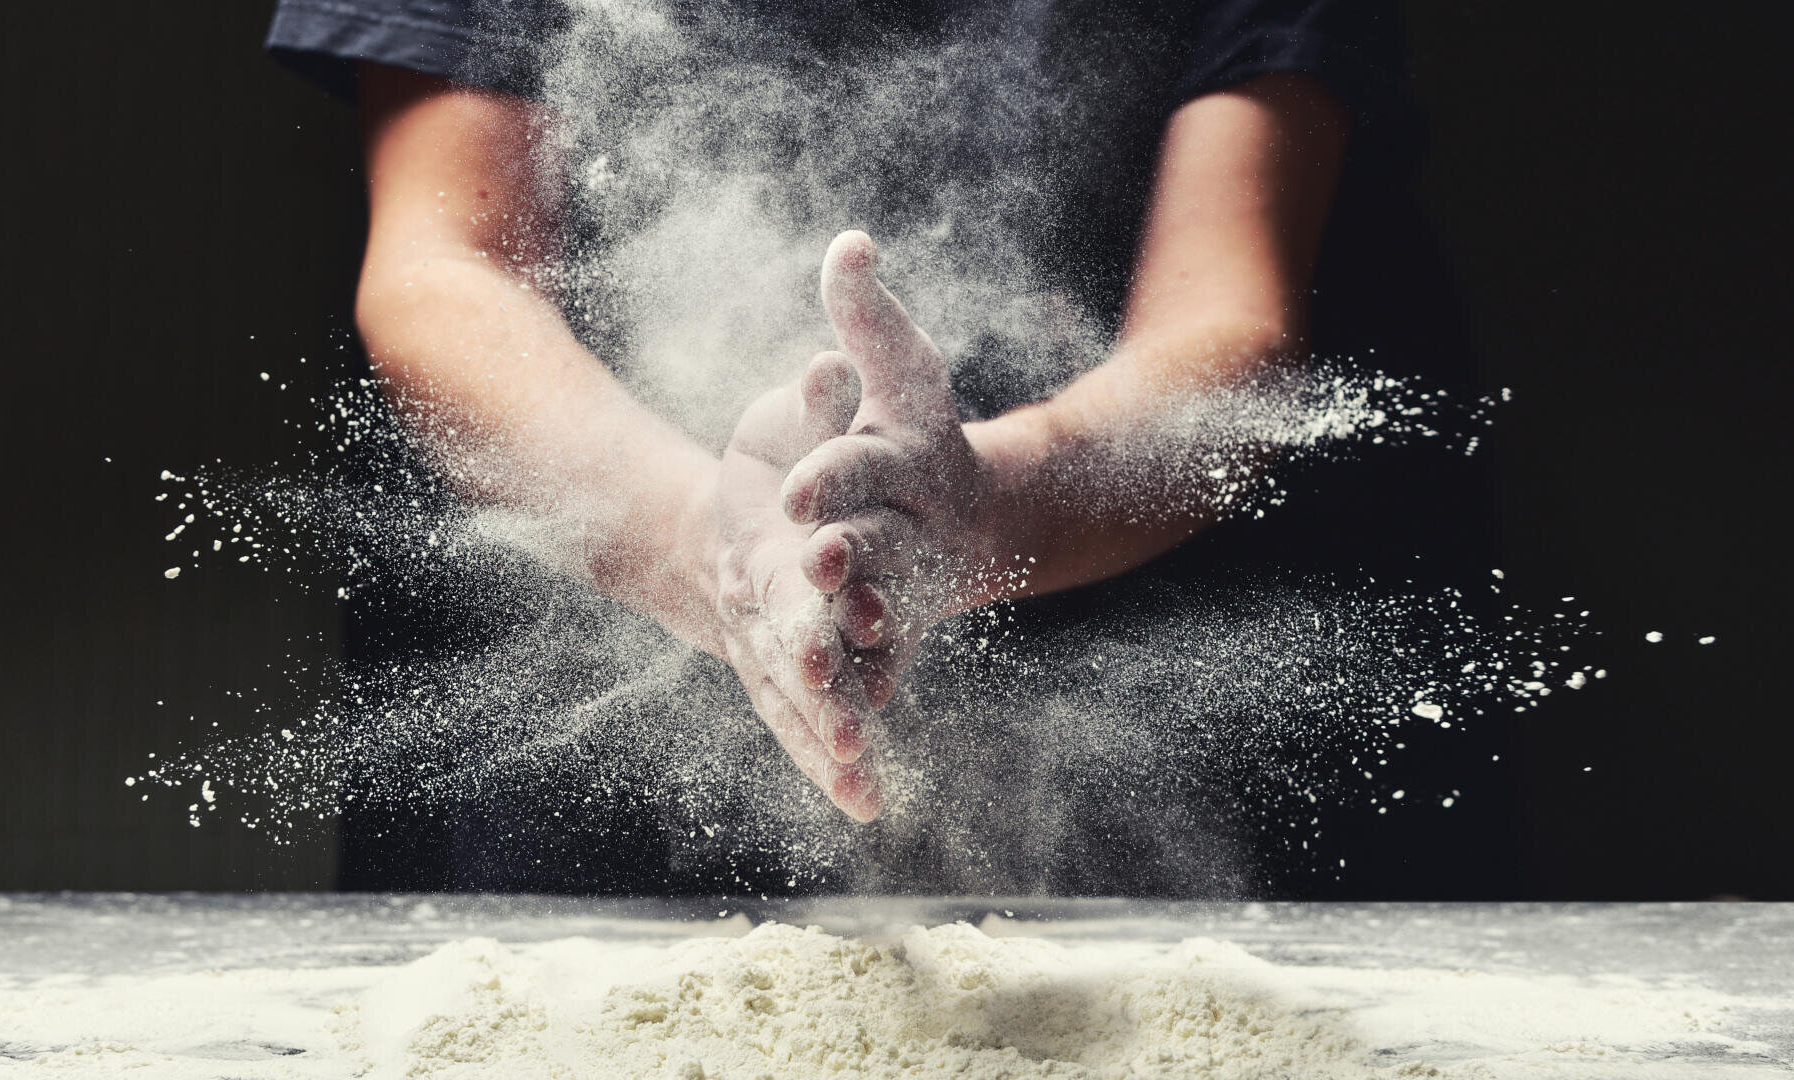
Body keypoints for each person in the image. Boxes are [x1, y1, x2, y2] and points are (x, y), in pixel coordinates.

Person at [268, 0, 1516, 896]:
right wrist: (701, 541)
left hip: (1152, 631)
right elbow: (447, 273)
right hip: (603, 697)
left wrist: (982, 507)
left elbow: (1228, 319)